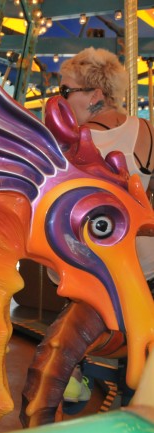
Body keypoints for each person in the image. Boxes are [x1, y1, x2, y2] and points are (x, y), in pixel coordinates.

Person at [58, 47, 154, 402]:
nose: (61, 99)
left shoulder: (71, 145)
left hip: (95, 274)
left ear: (95, 94)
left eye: (66, 91)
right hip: (145, 269)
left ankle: (77, 374)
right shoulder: (145, 131)